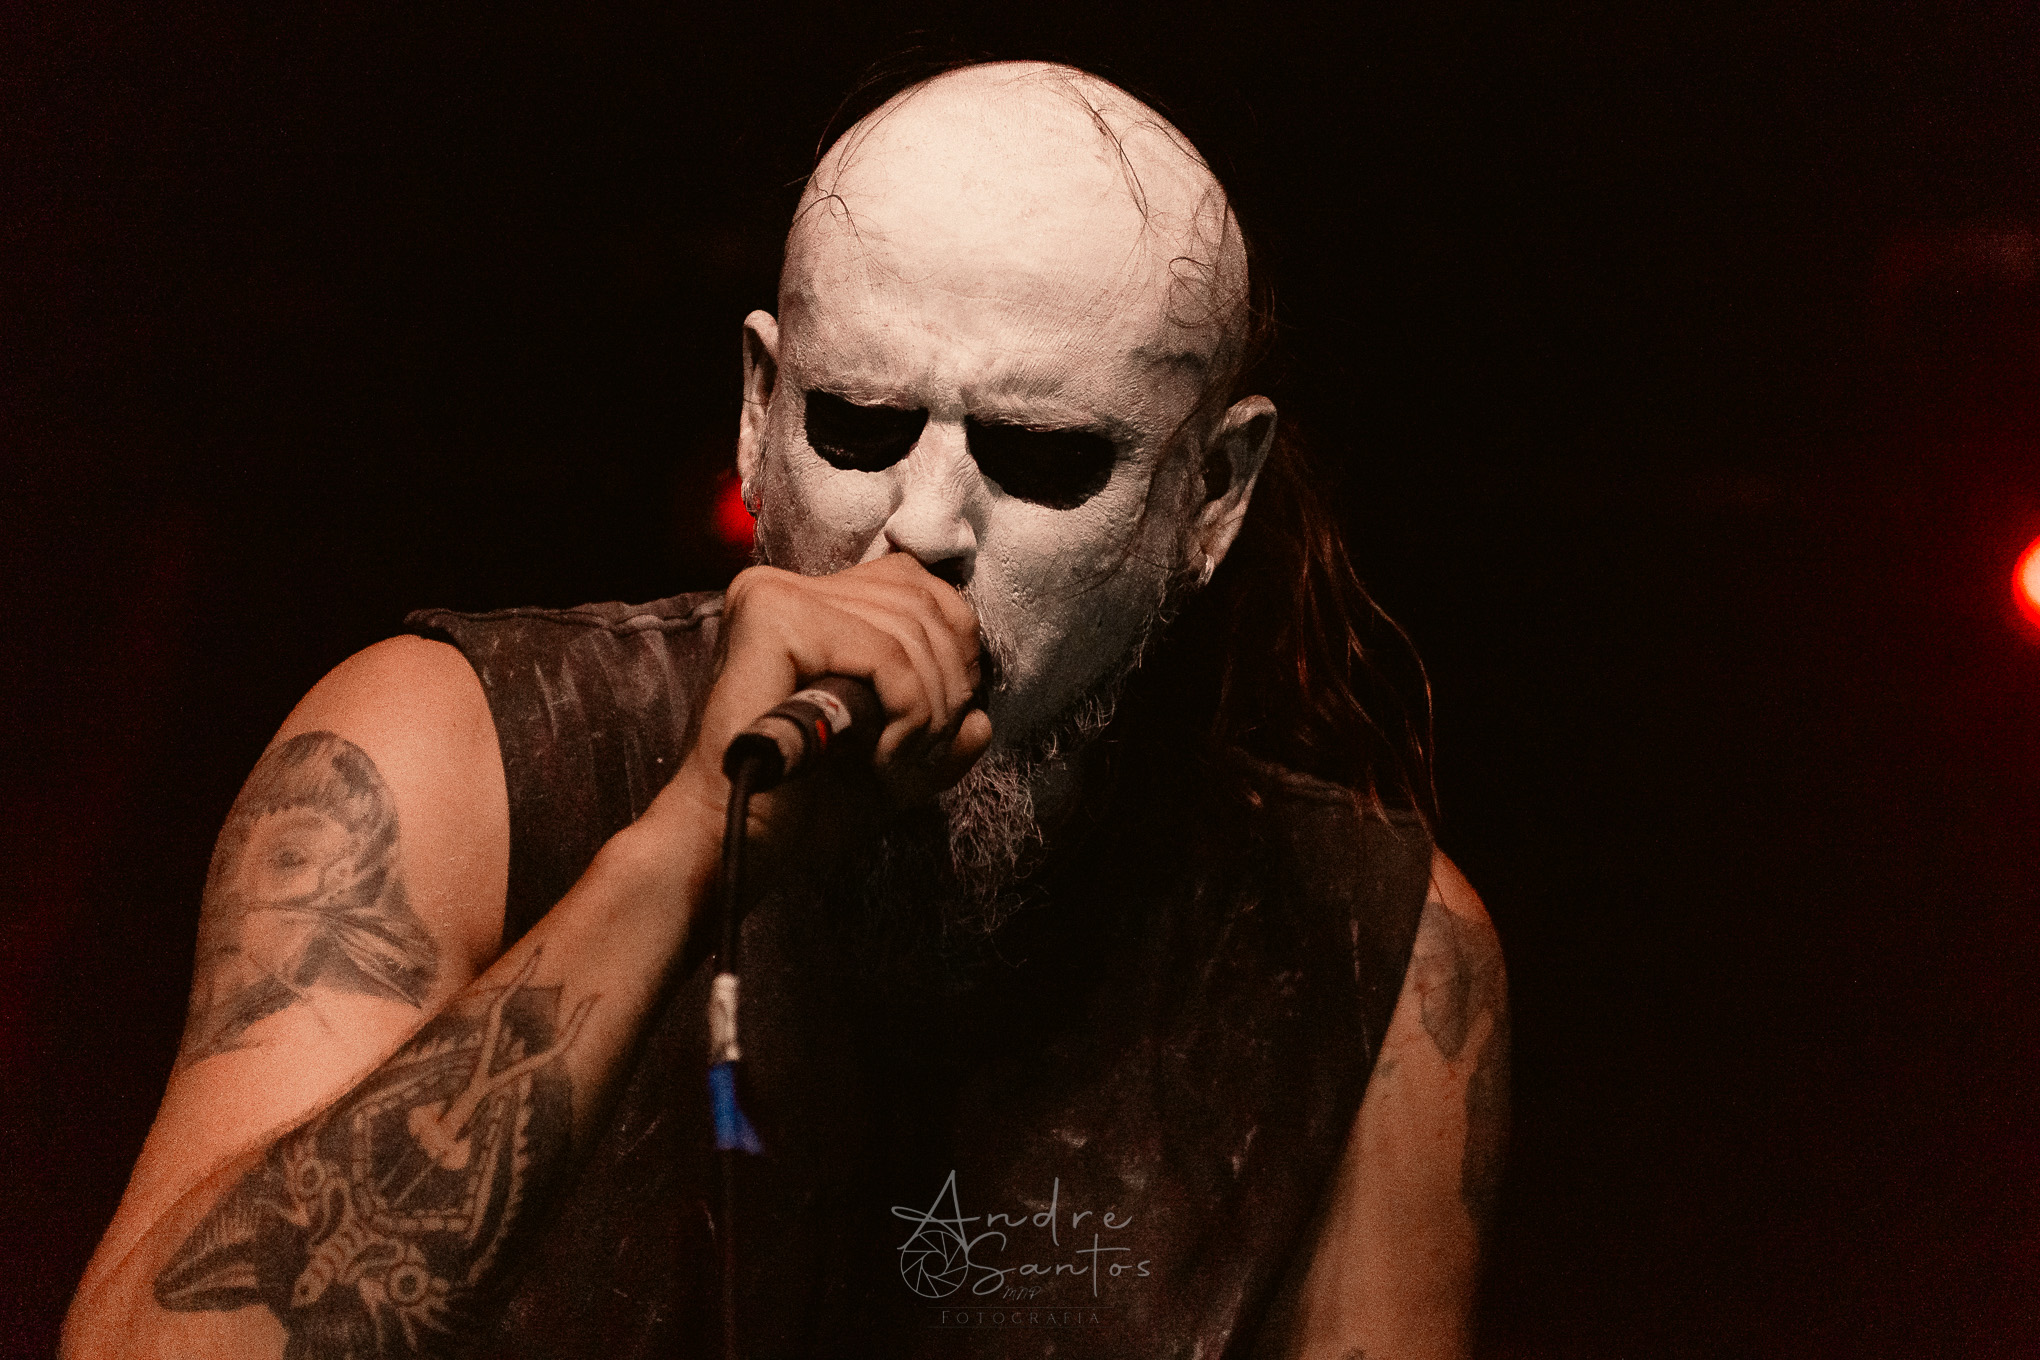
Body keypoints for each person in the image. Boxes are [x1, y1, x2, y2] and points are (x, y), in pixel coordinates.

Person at [63, 59, 1508, 1359]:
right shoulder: (448, 759)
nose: (923, 524)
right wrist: (682, 850)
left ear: (1214, 495)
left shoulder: (1374, 953)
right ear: (759, 410)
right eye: (860, 426)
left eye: (1043, 456)